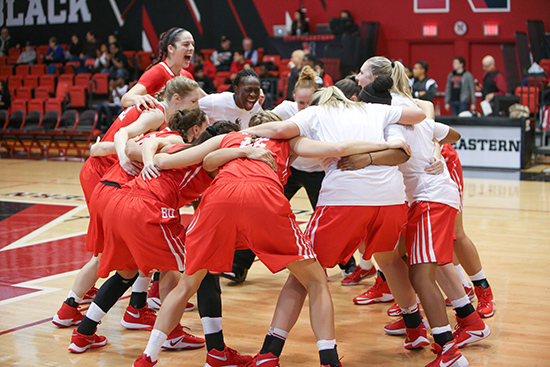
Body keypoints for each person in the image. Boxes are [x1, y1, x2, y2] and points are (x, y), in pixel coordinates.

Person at [133, 109, 412, 367]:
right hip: (261, 198)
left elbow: (186, 160)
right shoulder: (287, 141)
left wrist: (147, 156)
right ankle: (328, 359)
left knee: (186, 285)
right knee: (315, 279)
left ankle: (148, 356)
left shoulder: (229, 137)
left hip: (218, 201)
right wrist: (384, 147)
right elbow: (338, 149)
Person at [52, 76, 202, 330]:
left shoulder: (156, 114)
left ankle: (131, 307)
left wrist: (110, 150)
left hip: (108, 177)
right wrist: (124, 155)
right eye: (194, 101)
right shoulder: (157, 114)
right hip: (108, 177)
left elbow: (107, 141)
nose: (197, 106)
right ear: (176, 99)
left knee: (130, 250)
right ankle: (77, 309)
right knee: (113, 252)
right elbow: (120, 136)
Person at [121, 27, 197, 110]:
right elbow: (126, 99)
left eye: (192, 44)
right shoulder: (158, 71)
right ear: (171, 49)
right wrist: (138, 98)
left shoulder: (187, 76)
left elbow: (203, 101)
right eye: (186, 44)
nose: (191, 48)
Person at [198, 69, 262, 129]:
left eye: (256, 91)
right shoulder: (215, 101)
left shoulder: (257, 107)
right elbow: (190, 111)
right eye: (248, 90)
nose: (253, 94)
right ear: (236, 89)